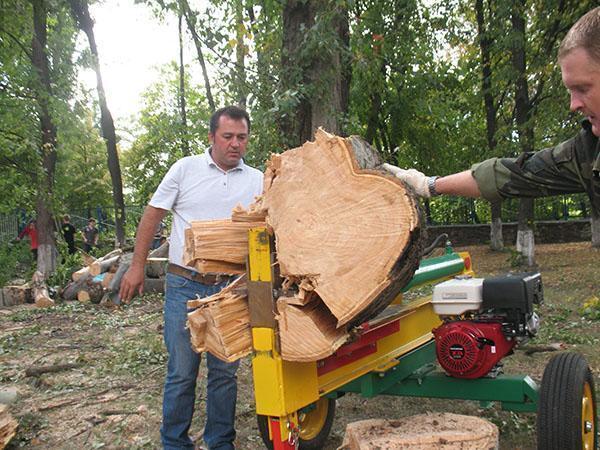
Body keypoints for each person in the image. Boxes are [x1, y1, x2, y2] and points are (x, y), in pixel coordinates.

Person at [119, 105, 263, 450]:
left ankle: (219, 442)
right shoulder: (185, 169)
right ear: (211, 136)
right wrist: (137, 266)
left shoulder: (258, 179)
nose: (235, 144)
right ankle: (174, 443)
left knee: (225, 373)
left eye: (241, 137)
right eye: (227, 136)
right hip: (185, 284)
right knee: (182, 371)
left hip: (231, 287)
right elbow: (152, 216)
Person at [383, 6, 600, 217]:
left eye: (582, 88)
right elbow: (512, 174)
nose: (574, 105)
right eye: (570, 91)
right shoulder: (588, 153)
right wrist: (426, 185)